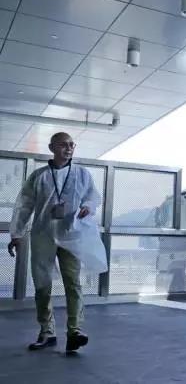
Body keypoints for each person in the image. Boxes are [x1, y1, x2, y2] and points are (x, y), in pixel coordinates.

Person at [7, 132, 101, 352]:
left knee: (73, 283)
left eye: (71, 145)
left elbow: (93, 196)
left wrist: (88, 205)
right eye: (63, 145)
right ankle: (46, 332)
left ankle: (74, 331)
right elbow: (24, 206)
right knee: (42, 284)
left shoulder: (81, 174)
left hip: (71, 234)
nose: (68, 149)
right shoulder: (39, 176)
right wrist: (16, 234)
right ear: (52, 148)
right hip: (43, 234)